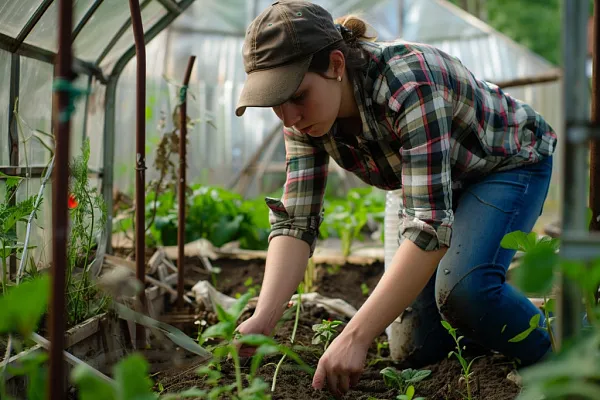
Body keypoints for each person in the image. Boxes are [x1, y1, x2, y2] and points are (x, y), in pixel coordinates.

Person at [234, 1, 557, 397]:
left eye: (297, 96)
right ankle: (490, 345)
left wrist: (355, 337)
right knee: (414, 348)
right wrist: (264, 319)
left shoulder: (408, 83)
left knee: (464, 293)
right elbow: (296, 221)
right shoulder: (303, 119)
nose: (289, 117)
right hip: (435, 182)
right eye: (275, 102)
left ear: (336, 65)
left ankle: (564, 351)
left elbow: (428, 225)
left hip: (505, 165)